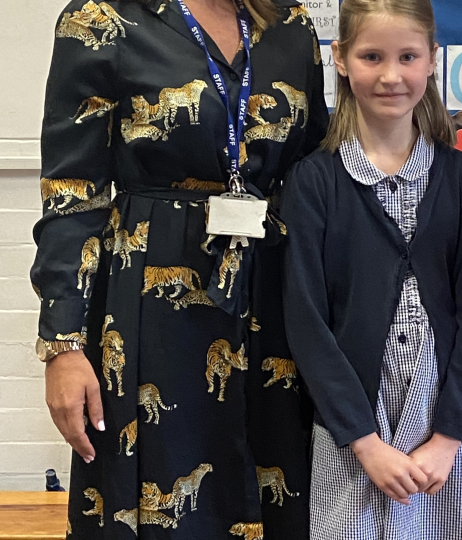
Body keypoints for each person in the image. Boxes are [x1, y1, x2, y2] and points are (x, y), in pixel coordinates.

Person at [31, 0, 327, 537]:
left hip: (271, 296)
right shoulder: (103, 19)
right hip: (150, 302)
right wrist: (63, 346)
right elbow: (72, 194)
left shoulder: (291, 23)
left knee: (276, 483)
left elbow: (317, 168)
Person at [280, 0, 462, 538]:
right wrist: (363, 441)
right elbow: (307, 321)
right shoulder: (313, 183)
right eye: (372, 56)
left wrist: (449, 437)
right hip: (352, 427)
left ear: (432, 60)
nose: (391, 75)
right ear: (341, 59)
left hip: (442, 429)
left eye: (408, 56)